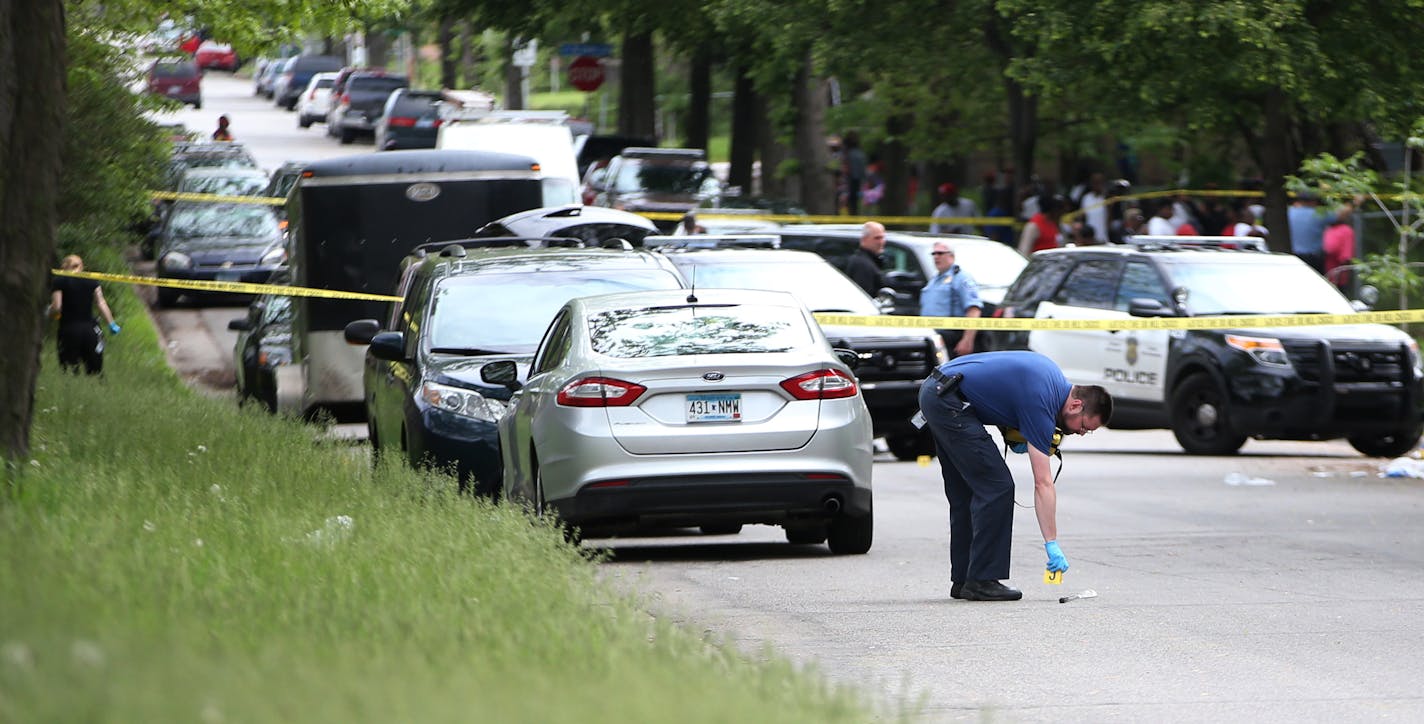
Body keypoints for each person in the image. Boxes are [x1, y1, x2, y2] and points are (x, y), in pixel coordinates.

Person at [918, 351, 1112, 601]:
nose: (1082, 433)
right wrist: (1051, 543)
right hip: (949, 401)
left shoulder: (1050, 376)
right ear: (1076, 405)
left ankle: (965, 579)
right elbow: (1043, 483)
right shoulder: (1042, 402)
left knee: (968, 491)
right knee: (997, 486)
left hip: (937, 391)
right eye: (1085, 426)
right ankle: (981, 580)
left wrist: (1008, 424)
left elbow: (999, 383)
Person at [49, 254, 120, 375]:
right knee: (95, 371)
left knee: (70, 371)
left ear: (63, 268)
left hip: (69, 330)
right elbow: (101, 303)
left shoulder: (59, 281)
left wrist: (49, 311)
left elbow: (57, 307)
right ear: (81, 266)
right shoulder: (91, 280)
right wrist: (111, 324)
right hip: (90, 331)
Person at [919, 242, 982, 358]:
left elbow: (974, 310)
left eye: (940, 253)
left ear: (951, 256)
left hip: (952, 338)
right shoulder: (934, 279)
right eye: (934, 254)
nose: (936, 257)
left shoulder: (961, 278)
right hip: (933, 337)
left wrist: (967, 340)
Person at [1288, 191, 1350, 274]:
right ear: (1314, 201)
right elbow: (1340, 215)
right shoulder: (1318, 214)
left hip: (1292, 257)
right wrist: (1354, 203)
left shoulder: (1289, 212)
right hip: (1313, 259)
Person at [843, 221, 887, 296]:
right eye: (877, 238)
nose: (881, 242)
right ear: (864, 240)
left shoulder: (869, 261)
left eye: (882, 238)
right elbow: (864, 295)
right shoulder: (862, 265)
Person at [1323, 205, 1356, 293]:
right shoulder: (1326, 228)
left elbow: (1346, 256)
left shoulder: (1346, 230)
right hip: (1323, 272)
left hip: (1337, 276)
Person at [1077, 173, 1110, 244]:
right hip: (1089, 239)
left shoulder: (1107, 198)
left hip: (1102, 238)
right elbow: (1082, 217)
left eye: (1099, 182)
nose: (1097, 185)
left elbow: (1109, 219)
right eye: (1095, 182)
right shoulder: (1086, 198)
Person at [843, 131, 867, 215]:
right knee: (855, 201)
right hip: (857, 180)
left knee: (852, 200)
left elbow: (847, 168)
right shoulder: (860, 153)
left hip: (852, 180)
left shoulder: (848, 154)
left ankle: (852, 214)